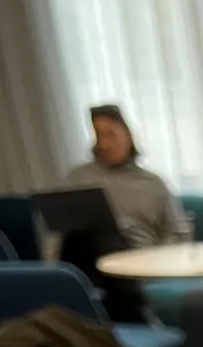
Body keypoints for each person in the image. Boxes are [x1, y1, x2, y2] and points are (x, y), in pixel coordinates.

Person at [63, 105, 191, 248]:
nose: (105, 144)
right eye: (99, 136)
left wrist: (160, 258)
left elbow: (178, 232)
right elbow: (59, 236)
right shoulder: (78, 178)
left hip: (140, 257)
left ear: (128, 136)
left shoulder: (152, 184)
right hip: (89, 256)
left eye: (110, 135)